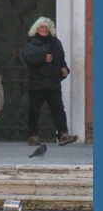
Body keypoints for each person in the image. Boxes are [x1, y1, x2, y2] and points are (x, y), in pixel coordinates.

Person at [23, 17, 77, 146]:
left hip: (53, 83)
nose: (44, 29)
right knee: (34, 110)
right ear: (36, 29)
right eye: (42, 27)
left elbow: (61, 59)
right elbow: (28, 59)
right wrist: (43, 58)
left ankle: (63, 134)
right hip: (37, 83)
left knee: (58, 109)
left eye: (46, 27)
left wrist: (65, 69)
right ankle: (33, 135)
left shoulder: (56, 43)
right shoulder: (31, 43)